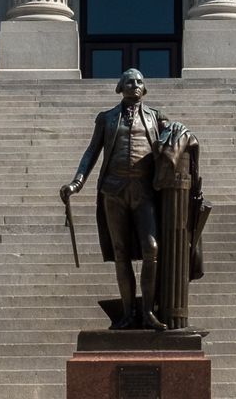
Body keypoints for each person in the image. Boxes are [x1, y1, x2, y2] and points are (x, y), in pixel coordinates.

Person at [62, 69, 167, 330]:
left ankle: (148, 312)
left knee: (151, 248)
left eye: (139, 82)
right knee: (121, 252)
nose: (135, 85)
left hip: (144, 191)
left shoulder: (156, 118)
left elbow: (172, 148)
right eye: (129, 81)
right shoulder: (108, 119)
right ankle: (129, 313)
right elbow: (91, 152)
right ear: (120, 87)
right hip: (113, 190)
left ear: (145, 88)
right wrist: (77, 183)